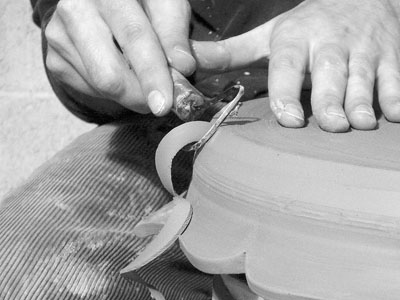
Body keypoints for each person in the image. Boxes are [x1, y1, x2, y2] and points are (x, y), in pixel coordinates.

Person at [0, 0, 399, 299]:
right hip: (181, 122)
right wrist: (93, 48)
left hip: (376, 110)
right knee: (20, 267)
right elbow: (72, 48)